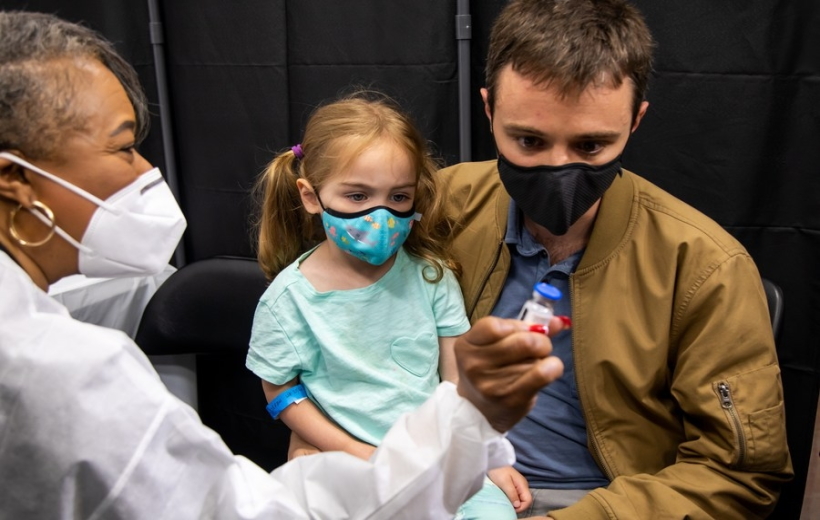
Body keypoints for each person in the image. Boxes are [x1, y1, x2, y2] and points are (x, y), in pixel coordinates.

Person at [0, 11, 568, 519]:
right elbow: (245, 508)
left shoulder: (427, 276)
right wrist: (462, 430)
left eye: (399, 197)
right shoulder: (53, 373)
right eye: (123, 147)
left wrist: (466, 451)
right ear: (17, 185)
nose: (144, 172)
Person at [438, 0, 793, 519]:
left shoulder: (704, 267)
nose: (558, 169)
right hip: (443, 480)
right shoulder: (439, 207)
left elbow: (738, 472)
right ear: (488, 110)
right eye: (529, 140)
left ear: (636, 120)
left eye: (590, 145)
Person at [245, 92, 520, 519]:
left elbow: (459, 378)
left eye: (398, 198)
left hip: (436, 464)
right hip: (344, 472)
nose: (381, 216)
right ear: (311, 196)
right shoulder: (287, 301)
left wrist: (486, 457)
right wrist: (358, 454)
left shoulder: (432, 277)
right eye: (357, 196)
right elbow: (281, 391)